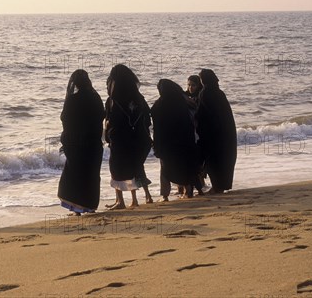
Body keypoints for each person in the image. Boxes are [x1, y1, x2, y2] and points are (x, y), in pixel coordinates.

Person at [104, 64, 153, 209]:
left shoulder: (114, 100)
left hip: (120, 139)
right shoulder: (139, 98)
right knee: (135, 167)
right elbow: (147, 118)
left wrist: (108, 133)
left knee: (116, 168)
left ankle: (120, 201)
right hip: (138, 139)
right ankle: (138, 199)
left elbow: (110, 120)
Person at [57, 70, 105, 215]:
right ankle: (90, 207)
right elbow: (101, 116)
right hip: (93, 144)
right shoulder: (96, 97)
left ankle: (77, 210)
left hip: (76, 144)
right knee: (91, 175)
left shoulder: (72, 100)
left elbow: (65, 118)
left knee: (75, 175)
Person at [151, 79, 203, 201]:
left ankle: (165, 196)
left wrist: (156, 145)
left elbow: (157, 126)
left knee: (165, 169)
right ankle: (190, 190)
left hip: (167, 144)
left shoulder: (159, 105)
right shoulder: (183, 101)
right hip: (185, 141)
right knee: (187, 167)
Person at [195, 69, 237, 194]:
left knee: (212, 161)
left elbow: (203, 114)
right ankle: (222, 185)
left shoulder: (205, 93)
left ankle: (216, 187)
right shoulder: (219, 93)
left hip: (212, 134)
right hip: (225, 132)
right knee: (224, 159)